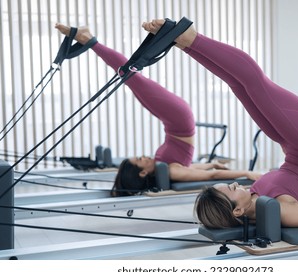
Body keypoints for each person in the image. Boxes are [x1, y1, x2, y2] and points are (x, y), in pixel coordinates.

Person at [142, 18, 298, 228]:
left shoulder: (252, 198)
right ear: (238, 210)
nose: (235, 184)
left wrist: (287, 134)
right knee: (256, 83)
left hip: (293, 147)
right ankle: (191, 39)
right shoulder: (280, 210)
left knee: (237, 84)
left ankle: (183, 45)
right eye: (232, 189)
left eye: (230, 185)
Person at [55, 23, 261, 197]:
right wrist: (247, 173)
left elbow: (201, 169)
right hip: (178, 118)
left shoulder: (166, 167)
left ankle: (92, 40)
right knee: (132, 78)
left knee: (131, 80)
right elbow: (211, 177)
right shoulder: (172, 171)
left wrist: (212, 165)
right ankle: (90, 40)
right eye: (139, 160)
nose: (142, 156)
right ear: (143, 173)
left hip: (171, 121)